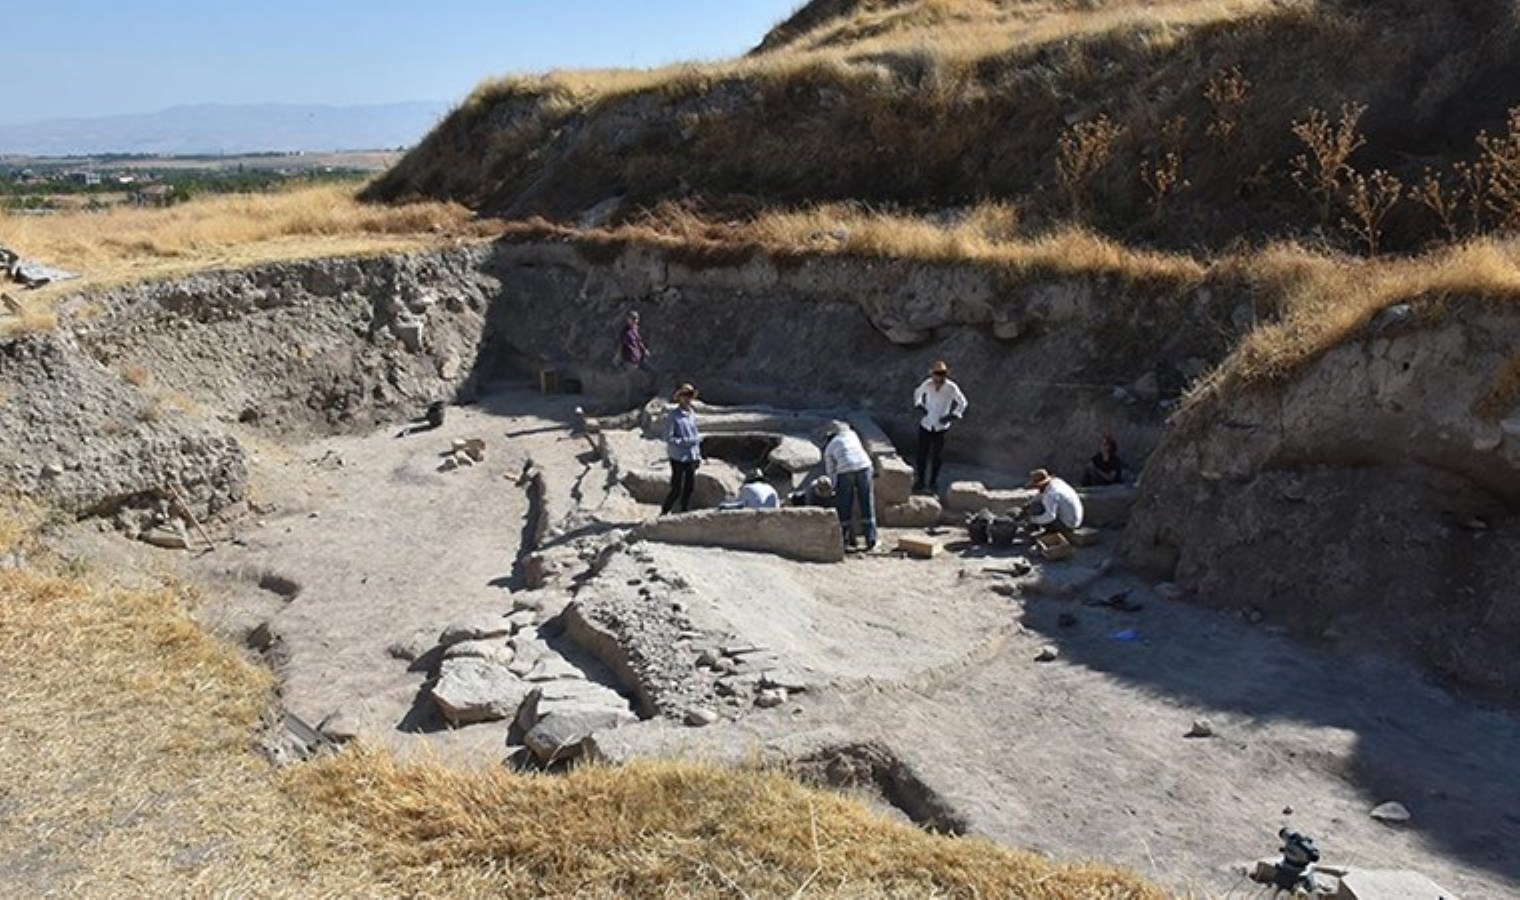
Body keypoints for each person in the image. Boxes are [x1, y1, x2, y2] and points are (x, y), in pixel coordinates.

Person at [912, 360, 969, 494]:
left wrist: (953, 415)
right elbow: (917, 393)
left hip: (941, 428)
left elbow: (963, 402)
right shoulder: (927, 384)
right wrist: (919, 405)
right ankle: (920, 481)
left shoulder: (951, 387)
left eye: (942, 374)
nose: (939, 377)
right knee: (921, 455)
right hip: (926, 424)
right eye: (937, 374)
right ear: (932, 374)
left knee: (937, 457)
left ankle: (932, 483)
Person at [824, 421, 877, 551]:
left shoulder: (830, 447)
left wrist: (835, 486)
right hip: (864, 466)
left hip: (845, 470)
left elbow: (831, 470)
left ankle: (845, 540)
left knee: (844, 504)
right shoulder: (852, 435)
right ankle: (871, 539)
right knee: (866, 502)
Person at [661, 384, 702, 515]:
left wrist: (698, 454)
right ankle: (665, 510)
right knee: (676, 488)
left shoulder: (692, 414)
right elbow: (668, 437)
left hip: (691, 456)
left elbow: (695, 434)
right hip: (678, 456)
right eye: (685, 396)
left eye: (690, 396)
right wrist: (684, 442)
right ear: (680, 398)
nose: (688, 399)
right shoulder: (673, 416)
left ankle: (683, 512)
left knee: (689, 487)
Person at [1024, 468, 1083, 537]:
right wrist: (1029, 503)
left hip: (1068, 525)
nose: (1036, 488)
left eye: (1037, 486)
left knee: (1036, 508)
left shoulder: (1051, 494)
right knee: (1034, 505)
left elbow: (1050, 516)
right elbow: (1040, 495)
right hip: (1075, 520)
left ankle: (1049, 531)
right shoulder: (1056, 482)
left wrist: (1032, 520)